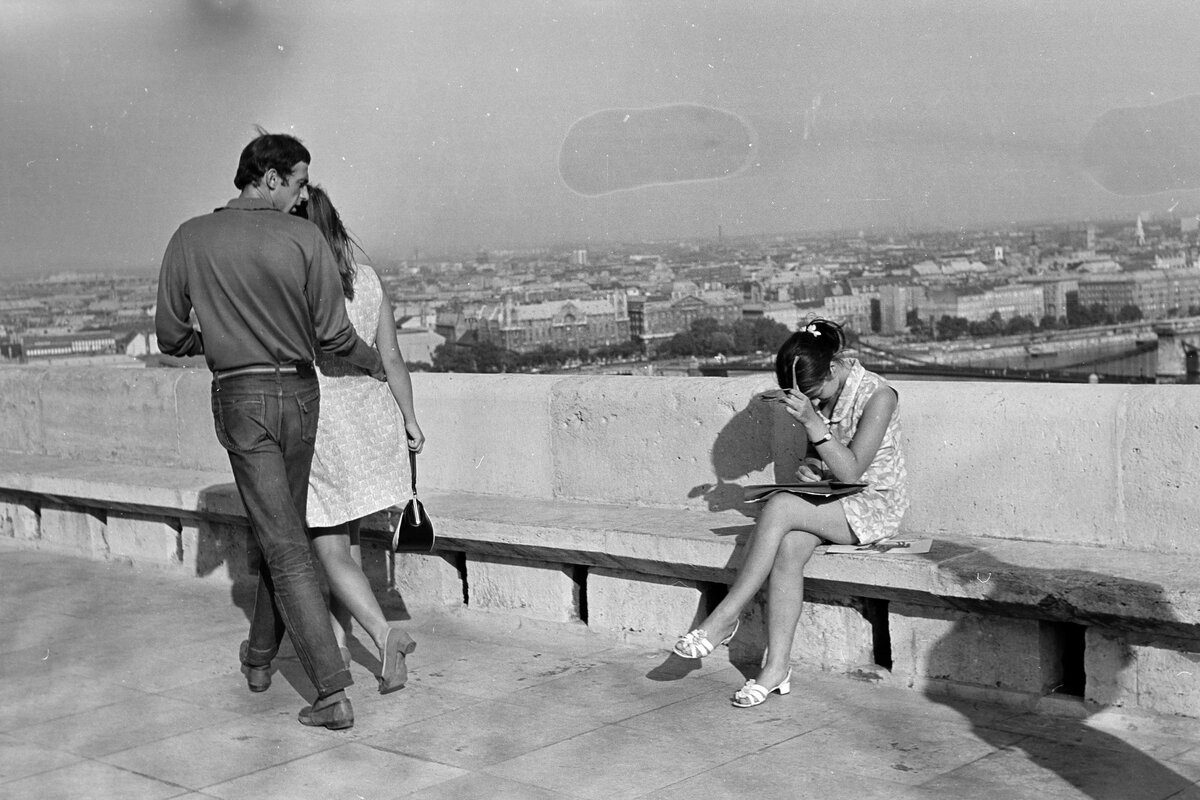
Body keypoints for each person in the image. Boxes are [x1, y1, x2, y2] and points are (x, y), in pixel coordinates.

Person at [155, 131, 383, 731]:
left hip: (243, 398)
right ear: (271, 177)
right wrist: (376, 363)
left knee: (280, 539)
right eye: (300, 182)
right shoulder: (306, 238)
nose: (304, 195)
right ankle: (263, 660)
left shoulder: (188, 238)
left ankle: (329, 692)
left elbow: (171, 337)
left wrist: (223, 340)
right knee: (282, 535)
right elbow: (335, 338)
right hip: (300, 398)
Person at [672, 318, 909, 708]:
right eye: (807, 400)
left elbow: (852, 470)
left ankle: (725, 616)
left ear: (833, 367)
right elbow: (827, 462)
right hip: (833, 497)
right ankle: (776, 668)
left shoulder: (879, 396)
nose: (813, 404)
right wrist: (810, 468)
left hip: (873, 505)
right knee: (786, 548)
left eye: (816, 395)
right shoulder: (818, 393)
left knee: (781, 505)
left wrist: (814, 424)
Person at [299, 184, 425, 694]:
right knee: (345, 543)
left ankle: (383, 634)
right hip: (372, 419)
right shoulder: (368, 281)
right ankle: (339, 646)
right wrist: (411, 419)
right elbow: (391, 358)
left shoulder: (302, 286)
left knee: (327, 546)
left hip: (326, 424)